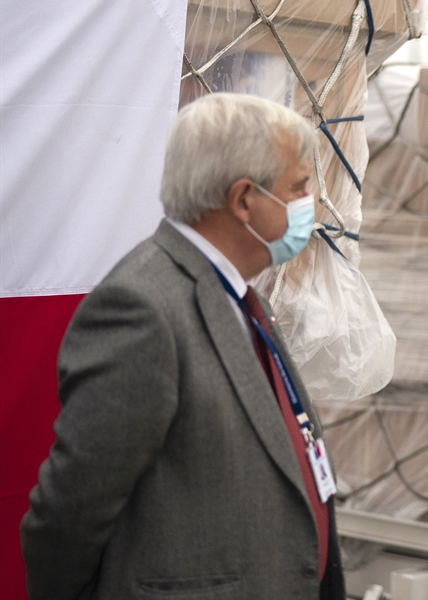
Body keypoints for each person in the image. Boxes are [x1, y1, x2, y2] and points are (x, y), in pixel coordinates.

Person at [21, 93, 345, 599]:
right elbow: (69, 512)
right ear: (242, 200)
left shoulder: (239, 296)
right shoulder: (142, 308)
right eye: (300, 188)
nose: (314, 205)